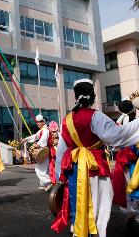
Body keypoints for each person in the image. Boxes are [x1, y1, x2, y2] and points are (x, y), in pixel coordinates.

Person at [52, 79, 139, 237]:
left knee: (77, 204)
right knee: (97, 205)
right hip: (95, 166)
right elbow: (114, 136)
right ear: (93, 96)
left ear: (75, 96)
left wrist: (59, 174)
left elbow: (61, 149)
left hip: (74, 167)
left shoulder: (66, 120)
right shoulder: (96, 116)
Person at [112, 98, 139, 228]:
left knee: (129, 186)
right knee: (133, 186)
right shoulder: (133, 124)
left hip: (126, 161)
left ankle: (131, 215)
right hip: (132, 160)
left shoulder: (121, 125)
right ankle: (132, 215)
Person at [22, 114, 52, 191]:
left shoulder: (45, 130)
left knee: (39, 168)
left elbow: (43, 140)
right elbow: (35, 136)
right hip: (44, 151)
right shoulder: (42, 130)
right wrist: (27, 139)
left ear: (43, 122)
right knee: (43, 168)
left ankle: (49, 182)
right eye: (37, 122)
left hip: (45, 151)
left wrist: (37, 144)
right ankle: (44, 184)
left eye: (39, 122)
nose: (38, 123)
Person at [48, 121, 60, 185]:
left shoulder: (59, 134)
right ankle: (54, 181)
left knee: (56, 168)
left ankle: (57, 181)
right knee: (52, 168)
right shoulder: (49, 134)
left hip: (58, 153)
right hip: (53, 153)